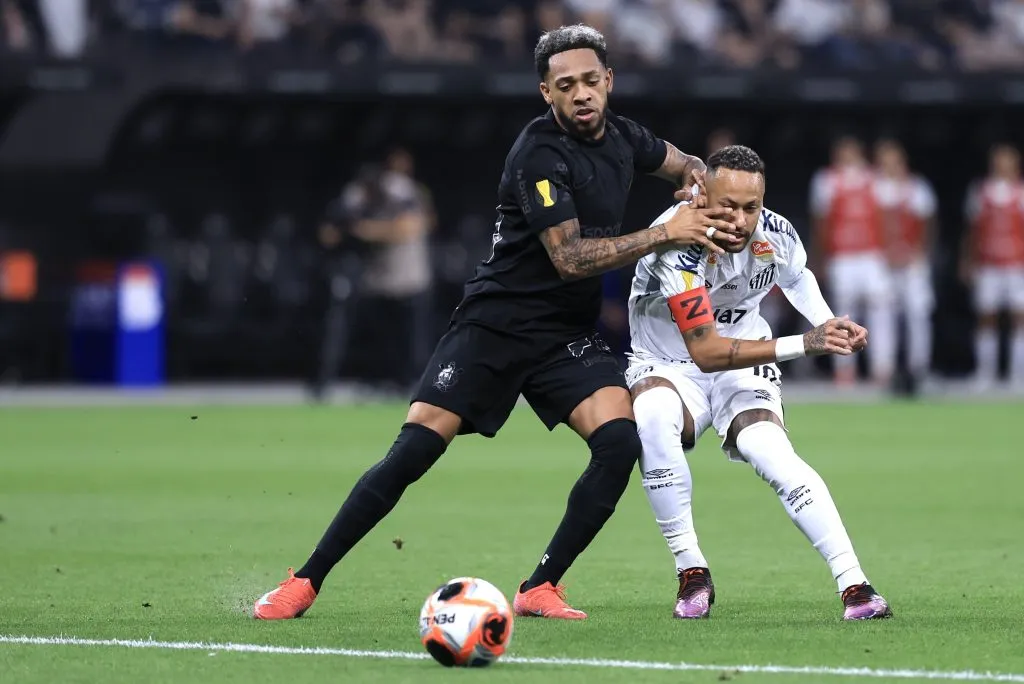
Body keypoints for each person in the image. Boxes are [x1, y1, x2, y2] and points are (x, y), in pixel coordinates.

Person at [253, 24, 740, 621]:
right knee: (413, 452)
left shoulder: (624, 137)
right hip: (495, 325)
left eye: (591, 80)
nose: (582, 93)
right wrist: (667, 232)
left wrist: (703, 189)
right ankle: (305, 580)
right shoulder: (538, 154)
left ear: (609, 81)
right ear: (546, 92)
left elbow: (684, 164)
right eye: (567, 85)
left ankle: (540, 587)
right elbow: (569, 258)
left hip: (565, 335)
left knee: (619, 441)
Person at [626, 145, 892, 621]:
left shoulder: (776, 232)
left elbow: (797, 274)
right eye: (727, 206)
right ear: (701, 193)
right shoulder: (677, 241)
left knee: (770, 450)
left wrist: (830, 322)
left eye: (751, 207)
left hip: (743, 355)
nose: (742, 220)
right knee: (653, 418)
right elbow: (705, 352)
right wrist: (806, 343)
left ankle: (855, 585)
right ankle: (692, 572)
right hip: (669, 361)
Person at [810, 136, 895, 386]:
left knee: (881, 311)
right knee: (843, 315)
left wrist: (888, 251)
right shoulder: (825, 181)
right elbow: (820, 223)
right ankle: (844, 368)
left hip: (871, 255)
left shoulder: (875, 178)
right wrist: (820, 256)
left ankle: (883, 367)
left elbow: (886, 218)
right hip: (843, 256)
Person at [874, 138, 937, 389]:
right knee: (883, 315)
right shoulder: (874, 187)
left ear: (902, 161)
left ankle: (919, 367)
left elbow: (930, 224)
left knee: (918, 314)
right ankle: (884, 368)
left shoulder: (917, 187)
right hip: (882, 260)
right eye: (884, 160)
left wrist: (920, 252)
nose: (888, 165)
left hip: (912, 261)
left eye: (893, 160)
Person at [962, 144, 1024, 389]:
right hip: (988, 265)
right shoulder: (981, 191)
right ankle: (985, 373)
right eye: (998, 160)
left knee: (1019, 319)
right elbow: (971, 231)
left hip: (1017, 265)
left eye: (1007, 160)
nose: (1002, 165)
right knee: (986, 319)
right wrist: (967, 259)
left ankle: (1018, 375)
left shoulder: (1021, 191)